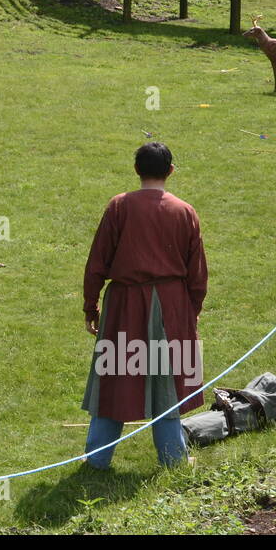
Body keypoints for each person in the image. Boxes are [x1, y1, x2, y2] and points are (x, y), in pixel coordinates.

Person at [81, 142, 207, 468]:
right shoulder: (184, 211)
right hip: (171, 306)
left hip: (124, 306)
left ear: (137, 169)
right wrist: (188, 313)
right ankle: (174, 460)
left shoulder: (119, 206)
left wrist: (90, 305)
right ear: (171, 171)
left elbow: (97, 262)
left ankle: (97, 460)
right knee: (165, 381)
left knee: (115, 379)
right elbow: (198, 274)